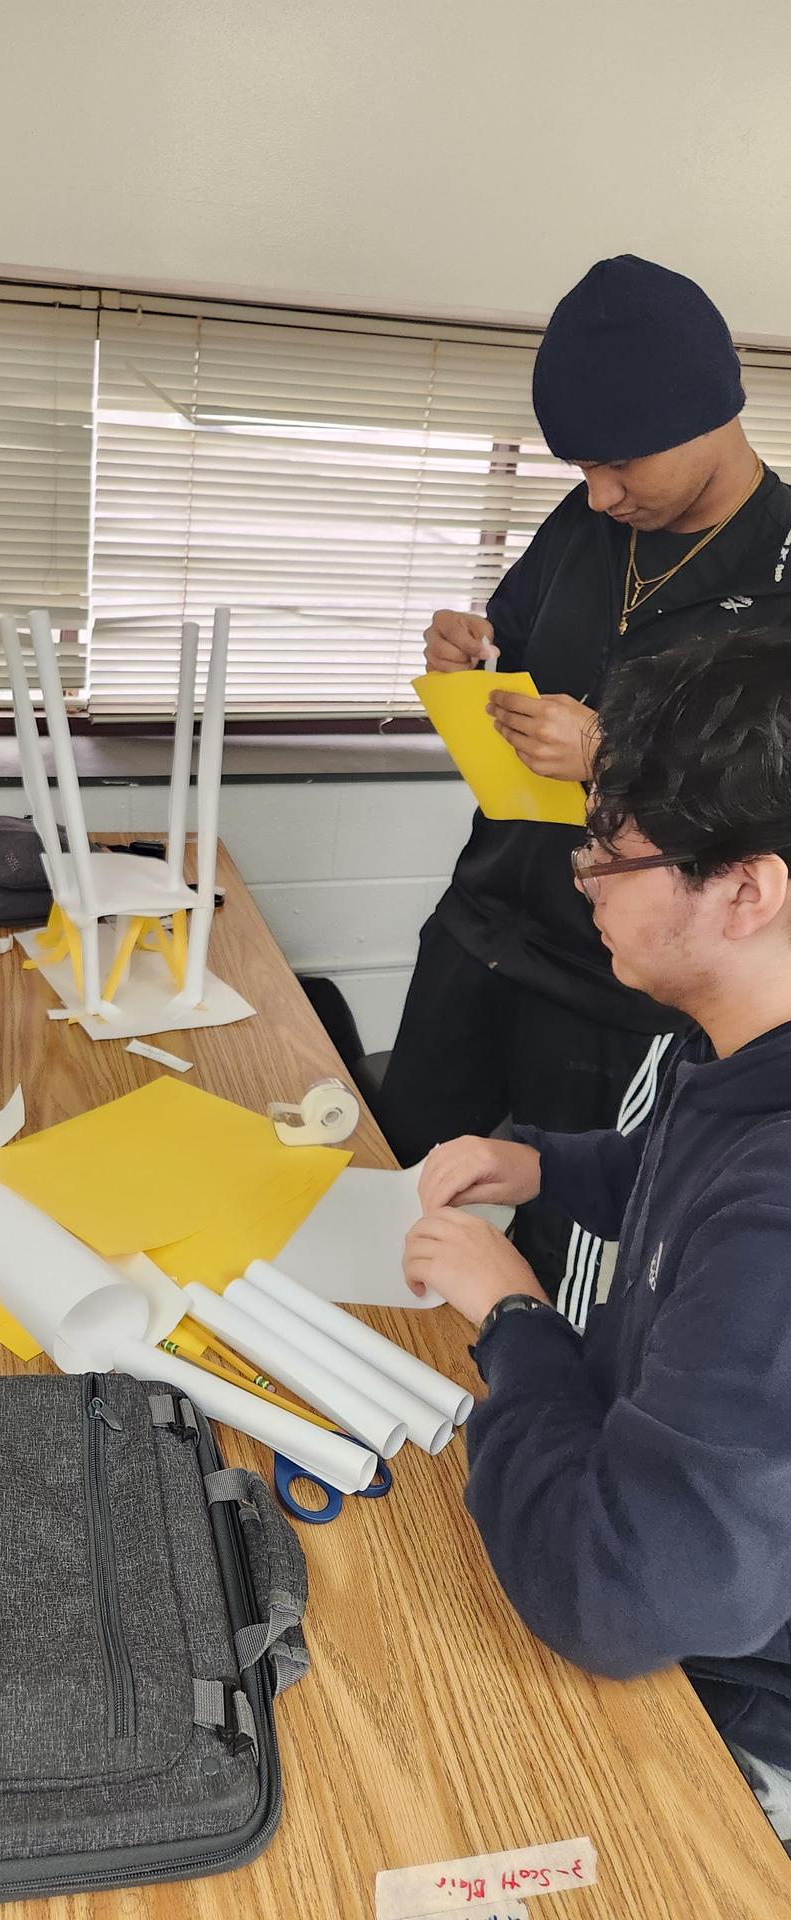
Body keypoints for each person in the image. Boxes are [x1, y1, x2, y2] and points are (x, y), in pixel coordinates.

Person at [402, 627, 791, 1848]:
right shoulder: (733, 1051)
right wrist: (550, 1168)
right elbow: (686, 1178)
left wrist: (516, 1324)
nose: (584, 882)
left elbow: (613, 1594)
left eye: (607, 859)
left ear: (745, 890)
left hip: (730, 1692)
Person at [377, 254, 791, 1326]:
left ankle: (517, 1452)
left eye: (617, 464)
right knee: (403, 1178)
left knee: (576, 1255)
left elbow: (770, 828)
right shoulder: (585, 521)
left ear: (711, 412)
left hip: (618, 985)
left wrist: (619, 758)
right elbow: (518, 643)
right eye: (581, 467)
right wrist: (468, 652)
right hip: (484, 924)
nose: (600, 493)